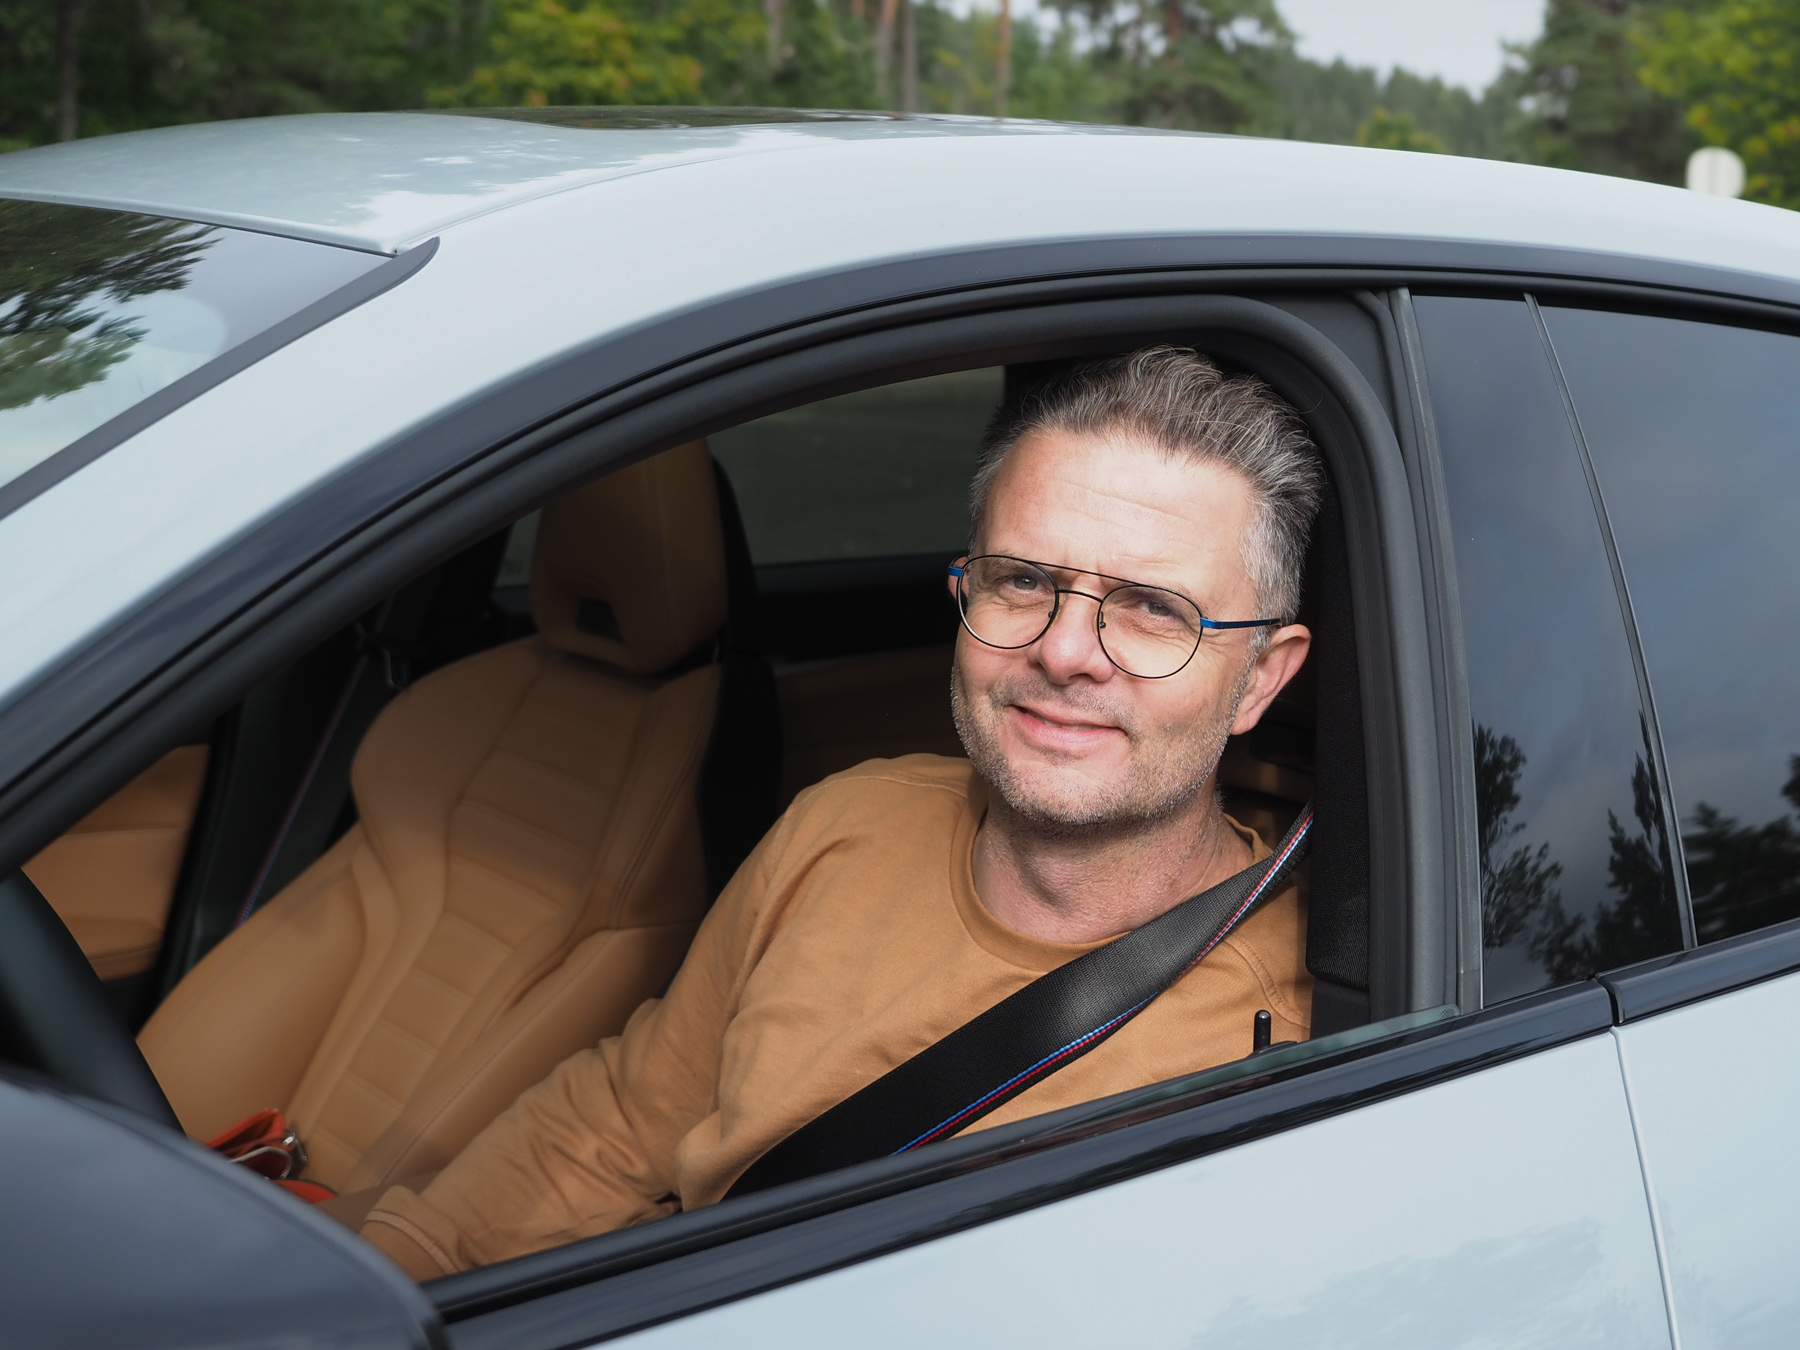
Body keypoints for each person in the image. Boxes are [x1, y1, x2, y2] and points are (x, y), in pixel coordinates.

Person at [360, 345, 1324, 1279]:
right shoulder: (843, 825)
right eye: (1024, 580)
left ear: (1260, 680)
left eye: (1154, 608)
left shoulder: (1293, 1042)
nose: (1064, 651)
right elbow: (623, 1120)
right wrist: (397, 1275)